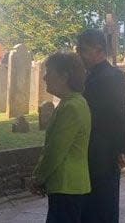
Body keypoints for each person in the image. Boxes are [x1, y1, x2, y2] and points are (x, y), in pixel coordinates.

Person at [31, 52, 91, 223]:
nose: (44, 78)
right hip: (69, 184)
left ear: (64, 76)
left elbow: (56, 150)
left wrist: (38, 177)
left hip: (66, 183)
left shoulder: (71, 107)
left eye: (49, 72)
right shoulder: (74, 102)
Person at [77, 29, 125, 223]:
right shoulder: (87, 76)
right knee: (88, 205)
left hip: (104, 151)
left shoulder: (113, 76)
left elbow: (120, 114)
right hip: (86, 148)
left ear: (98, 50)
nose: (79, 54)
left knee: (104, 203)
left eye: (83, 50)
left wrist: (121, 149)